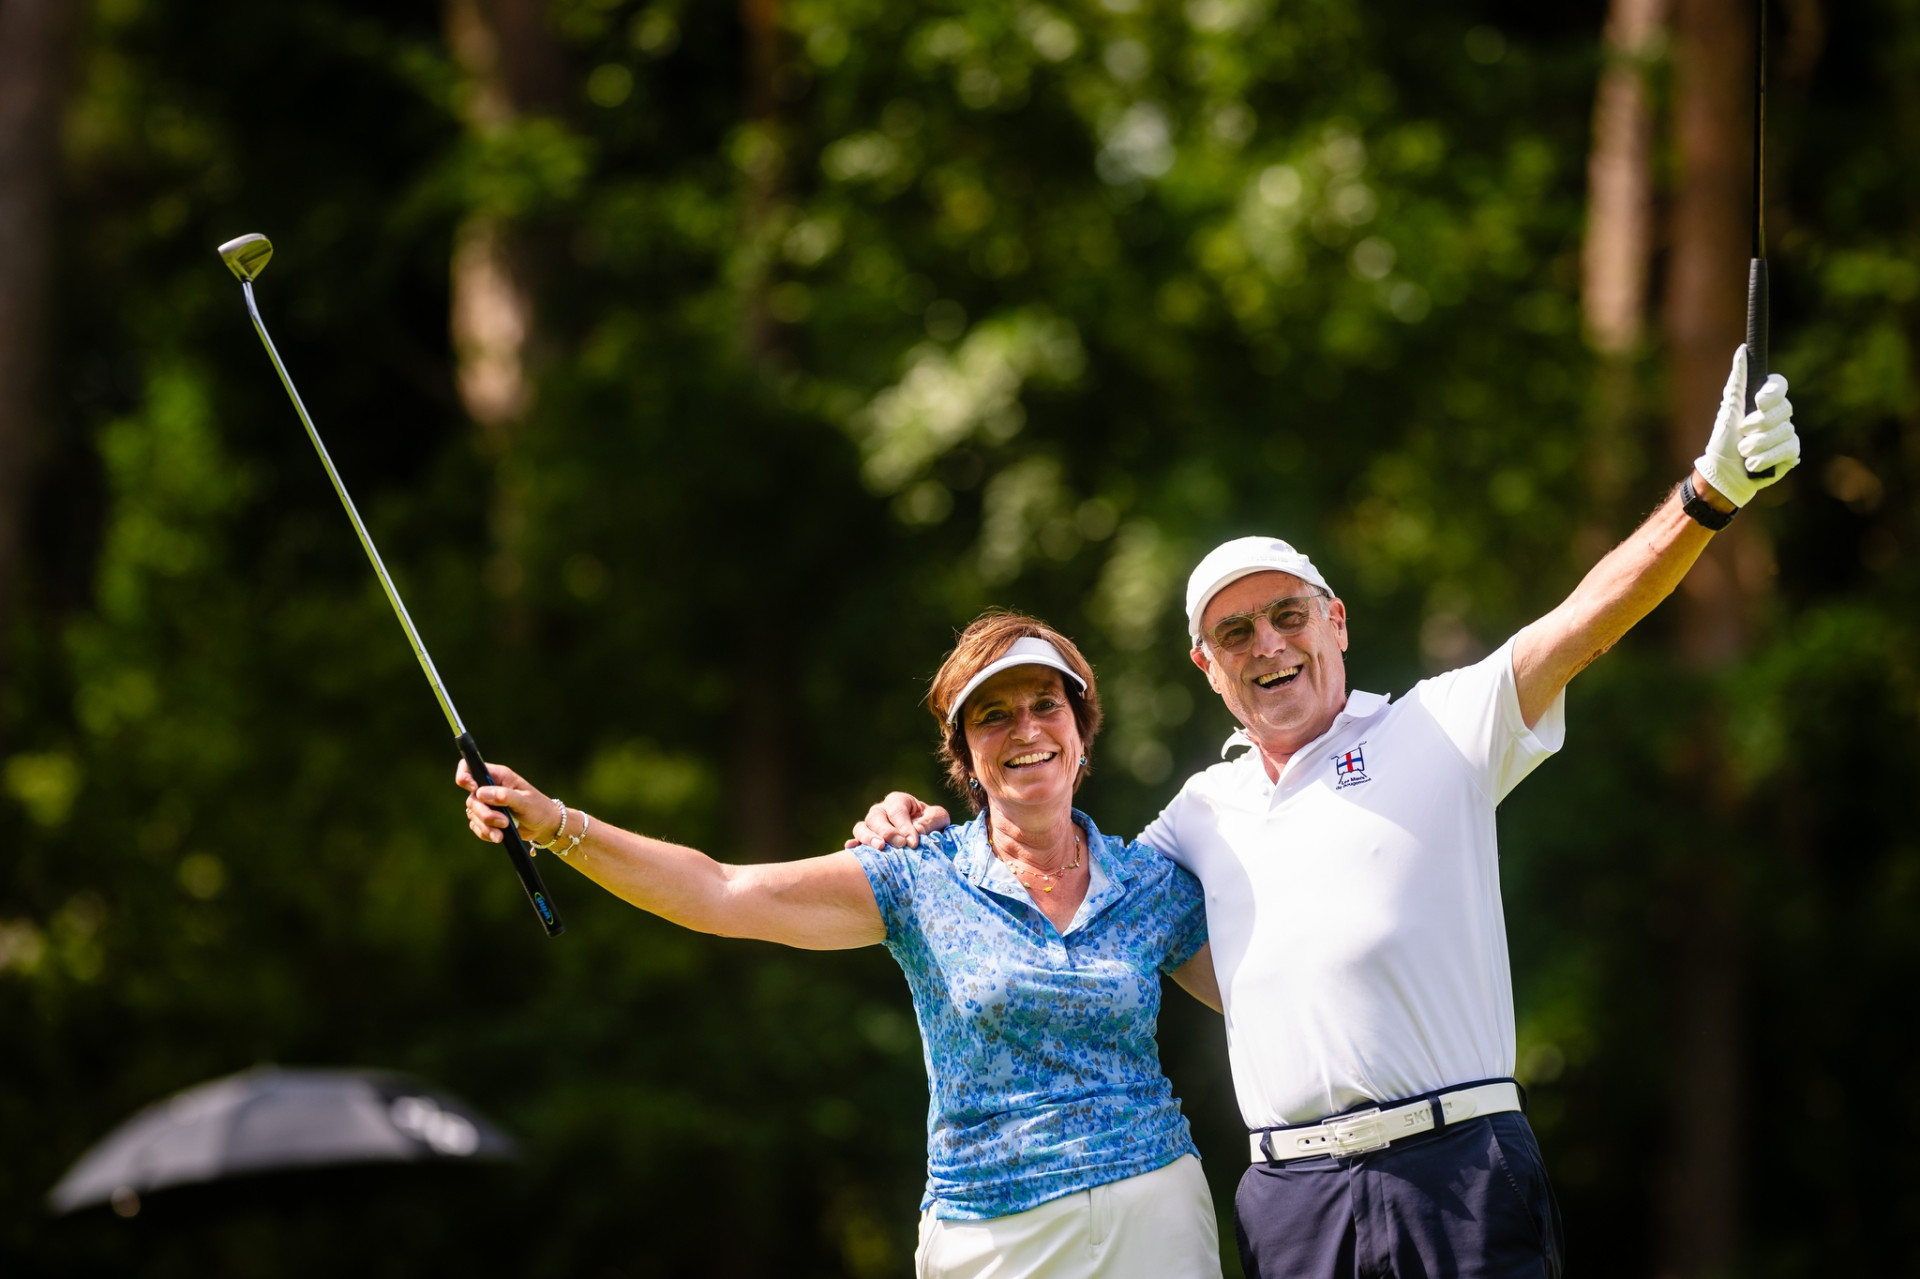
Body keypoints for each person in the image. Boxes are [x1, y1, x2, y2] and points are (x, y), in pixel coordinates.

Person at [850, 345, 1802, 1278]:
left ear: (1335, 620)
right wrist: (919, 827)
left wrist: (1707, 494)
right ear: (1208, 668)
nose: (1268, 645)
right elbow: (1064, 874)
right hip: (1294, 1196)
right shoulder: (1198, 814)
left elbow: (1585, 621)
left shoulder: (1439, 725)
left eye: (1288, 615)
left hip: (1459, 1169)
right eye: (1235, 632)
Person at [458, 611, 1225, 1279]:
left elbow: (1263, 995)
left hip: (1154, 1209)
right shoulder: (919, 874)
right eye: (993, 714)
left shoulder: (1147, 879)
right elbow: (720, 889)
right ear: (965, 755)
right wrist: (556, 823)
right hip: (994, 1232)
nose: (1026, 729)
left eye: (1045, 704)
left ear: (1082, 729)